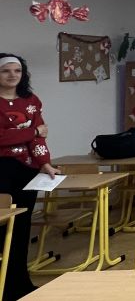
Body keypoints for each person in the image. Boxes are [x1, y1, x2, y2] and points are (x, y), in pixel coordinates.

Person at [0, 54, 61, 300]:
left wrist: (45, 163)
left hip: (26, 169)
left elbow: (39, 139)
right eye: (6, 70)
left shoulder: (31, 101)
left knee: (21, 228)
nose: (12, 75)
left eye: (17, 71)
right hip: (1, 169)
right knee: (2, 228)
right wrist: (32, 131)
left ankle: (19, 285)